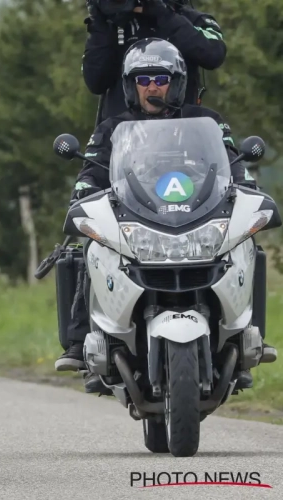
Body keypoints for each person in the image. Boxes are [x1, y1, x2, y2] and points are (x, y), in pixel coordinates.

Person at [56, 38, 277, 393]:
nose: (152, 87)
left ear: (176, 82)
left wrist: (250, 189)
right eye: (143, 80)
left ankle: (246, 337)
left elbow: (235, 168)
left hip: (199, 217)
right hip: (137, 219)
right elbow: (91, 174)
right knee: (90, 249)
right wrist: (82, 194)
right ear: (130, 86)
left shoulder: (206, 121)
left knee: (248, 244)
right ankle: (81, 342)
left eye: (160, 78)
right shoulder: (113, 128)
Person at [83, 0, 226, 123]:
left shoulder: (189, 19)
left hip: (182, 136)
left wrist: (163, 14)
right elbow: (95, 83)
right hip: (125, 141)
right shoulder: (112, 24)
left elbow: (214, 54)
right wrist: (99, 25)